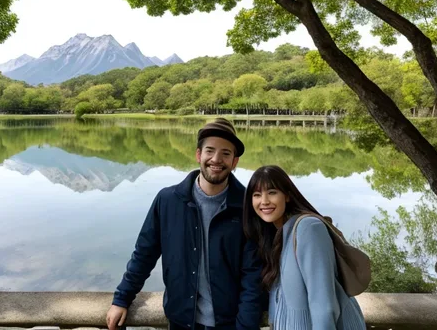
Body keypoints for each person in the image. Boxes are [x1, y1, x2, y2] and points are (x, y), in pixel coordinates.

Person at [106, 118, 263, 330]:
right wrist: (121, 298)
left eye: (226, 153)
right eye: (210, 151)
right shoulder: (168, 200)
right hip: (181, 320)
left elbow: (253, 275)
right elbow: (144, 254)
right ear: (199, 154)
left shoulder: (247, 206)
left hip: (229, 322)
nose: (216, 159)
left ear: (234, 162)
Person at [243, 165, 367, 330]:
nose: (264, 201)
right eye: (257, 195)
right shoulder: (275, 236)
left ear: (287, 196)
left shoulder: (308, 229)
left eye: (272, 192)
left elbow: (323, 304)